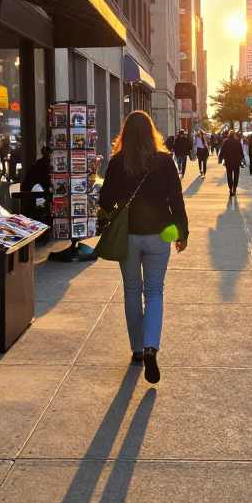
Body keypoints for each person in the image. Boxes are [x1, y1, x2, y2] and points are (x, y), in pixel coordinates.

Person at [99, 111, 188, 384]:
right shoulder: (164, 161)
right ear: (152, 132)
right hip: (159, 234)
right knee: (154, 291)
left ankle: (137, 349)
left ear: (125, 133)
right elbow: (176, 197)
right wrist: (182, 231)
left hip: (128, 234)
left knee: (131, 291)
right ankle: (151, 346)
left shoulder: (117, 163)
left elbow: (105, 201)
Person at [219, 130, 244, 196]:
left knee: (229, 175)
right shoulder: (237, 142)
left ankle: (230, 187)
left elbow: (222, 151)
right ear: (234, 135)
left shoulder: (226, 142)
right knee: (236, 175)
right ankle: (235, 187)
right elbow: (241, 152)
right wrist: (241, 159)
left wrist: (221, 158)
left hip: (228, 161)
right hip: (236, 161)